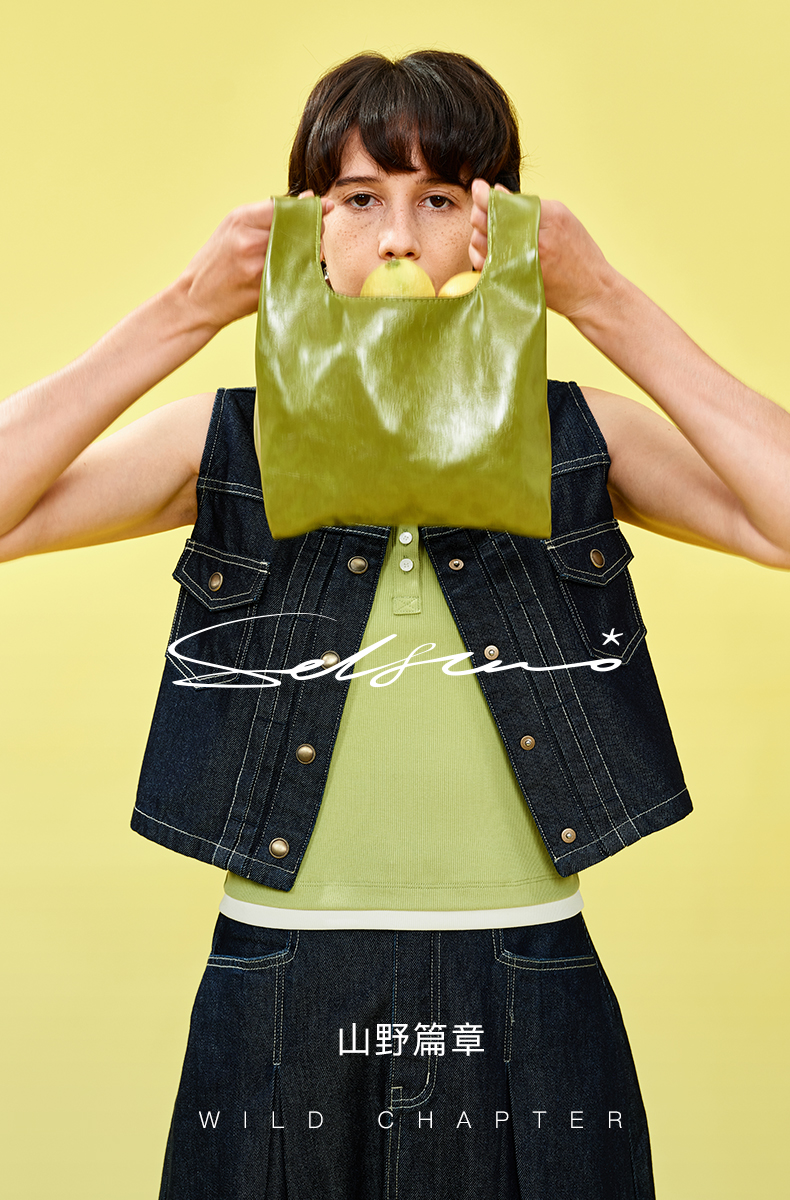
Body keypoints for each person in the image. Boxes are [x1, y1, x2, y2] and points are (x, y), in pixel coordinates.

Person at [1, 49, 788, 1200]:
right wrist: (183, 312)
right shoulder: (234, 441)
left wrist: (603, 300)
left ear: (496, 230)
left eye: (443, 199)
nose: (400, 239)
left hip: (527, 969)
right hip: (277, 974)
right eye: (359, 199)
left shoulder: (576, 437)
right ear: (306, 229)